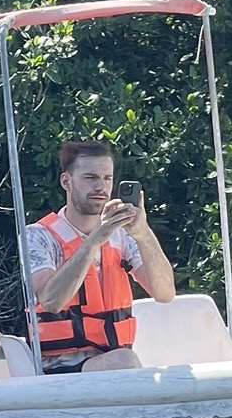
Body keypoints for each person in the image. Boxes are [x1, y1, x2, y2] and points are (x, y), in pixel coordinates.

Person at [26, 141, 176, 373]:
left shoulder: (123, 235)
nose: (100, 187)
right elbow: (51, 301)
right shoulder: (37, 235)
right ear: (66, 181)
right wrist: (95, 239)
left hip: (113, 359)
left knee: (127, 361)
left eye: (107, 178)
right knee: (125, 361)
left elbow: (165, 294)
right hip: (58, 368)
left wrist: (144, 233)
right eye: (90, 177)